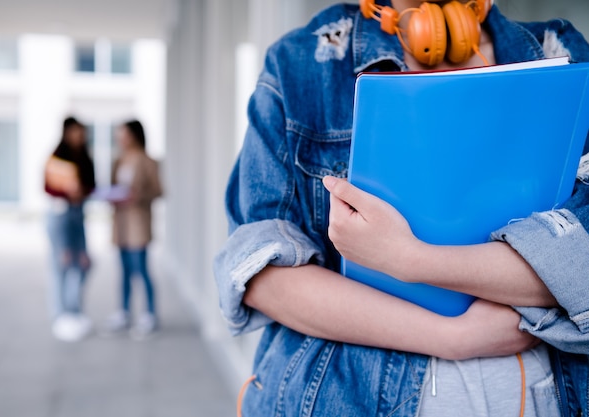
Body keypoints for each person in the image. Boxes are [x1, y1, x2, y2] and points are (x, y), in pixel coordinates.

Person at [214, 1, 589, 416]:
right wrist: (452, 337)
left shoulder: (558, 52)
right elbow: (262, 274)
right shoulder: (302, 63)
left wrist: (410, 259)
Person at [102, 120, 163, 340]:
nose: (121, 139)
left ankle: (149, 313)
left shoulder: (148, 161)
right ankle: (124, 312)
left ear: (135, 135)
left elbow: (159, 190)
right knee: (124, 270)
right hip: (121, 223)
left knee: (141, 269)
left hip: (138, 222)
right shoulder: (118, 160)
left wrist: (138, 196)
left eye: (124, 135)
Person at [44, 116, 96, 342]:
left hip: (78, 214)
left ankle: (74, 310)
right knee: (61, 264)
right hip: (60, 214)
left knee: (83, 263)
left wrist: (81, 192)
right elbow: (48, 187)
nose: (79, 137)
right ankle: (61, 314)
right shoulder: (56, 157)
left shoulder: (85, 157)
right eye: (75, 132)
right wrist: (67, 192)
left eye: (81, 132)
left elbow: (92, 185)